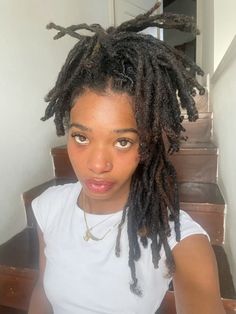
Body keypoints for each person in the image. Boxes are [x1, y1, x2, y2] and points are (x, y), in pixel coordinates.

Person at [28, 3, 225, 314]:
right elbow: (43, 291)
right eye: (82, 136)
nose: (96, 164)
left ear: (146, 144)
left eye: (122, 141)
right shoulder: (49, 208)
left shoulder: (179, 238)